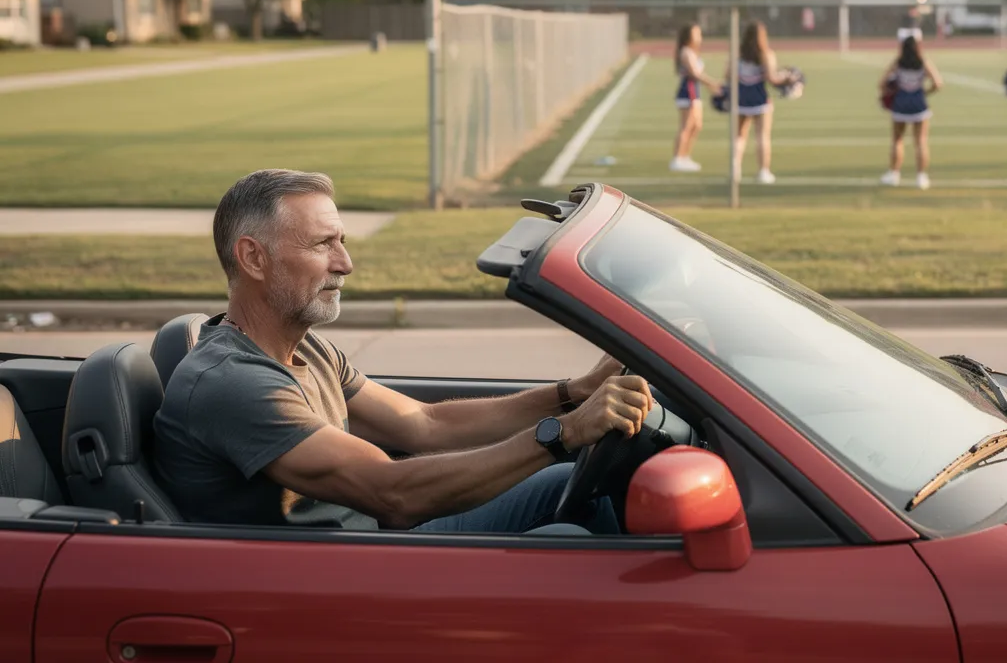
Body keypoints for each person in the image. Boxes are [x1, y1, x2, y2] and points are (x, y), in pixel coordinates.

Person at [154, 169, 651, 535]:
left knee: (569, 488)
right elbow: (391, 493)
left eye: (342, 241)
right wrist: (563, 433)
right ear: (253, 258)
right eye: (323, 244)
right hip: (342, 582)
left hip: (378, 545)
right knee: (566, 542)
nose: (345, 263)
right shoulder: (233, 383)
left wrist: (573, 394)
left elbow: (426, 424)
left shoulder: (309, 350)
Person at [879, 27, 943, 189]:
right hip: (918, 103)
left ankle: (894, 174)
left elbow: (882, 83)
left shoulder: (898, 62)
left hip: (900, 104)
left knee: (897, 140)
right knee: (921, 141)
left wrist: (890, 92)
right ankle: (921, 177)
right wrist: (925, 92)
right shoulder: (922, 61)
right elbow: (938, 83)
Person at [729, 21, 791, 185]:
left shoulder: (738, 54)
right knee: (762, 136)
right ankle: (763, 172)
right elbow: (772, 78)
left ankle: (735, 170)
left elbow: (729, 75)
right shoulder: (766, 54)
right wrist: (787, 77)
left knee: (739, 136)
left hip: (741, 98)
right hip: (759, 98)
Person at [670, 23, 720, 173]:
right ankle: (677, 158)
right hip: (688, 91)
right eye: (696, 33)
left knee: (697, 125)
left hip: (694, 91)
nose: (699, 37)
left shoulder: (693, 51)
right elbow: (694, 74)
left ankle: (685, 156)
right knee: (686, 126)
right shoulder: (685, 51)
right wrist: (712, 84)